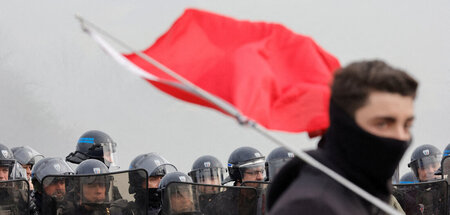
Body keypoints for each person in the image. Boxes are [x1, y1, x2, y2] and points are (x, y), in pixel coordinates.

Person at [268, 60, 418, 214]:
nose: (400, 137)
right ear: (345, 125)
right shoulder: (312, 206)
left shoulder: (364, 192)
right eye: (382, 124)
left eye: (406, 125)